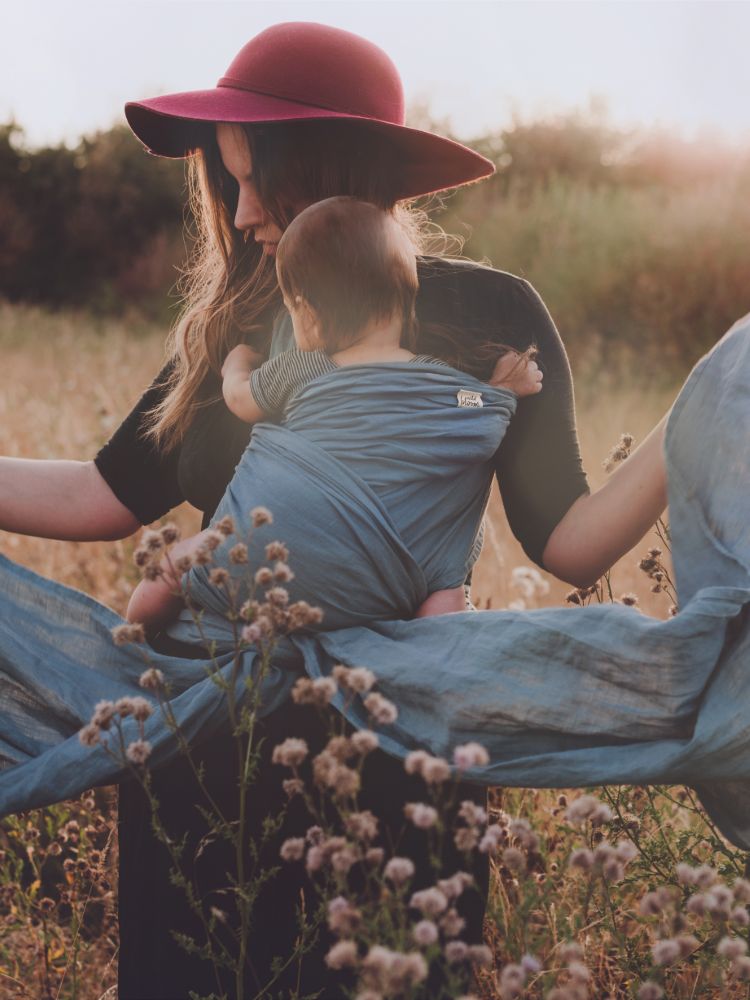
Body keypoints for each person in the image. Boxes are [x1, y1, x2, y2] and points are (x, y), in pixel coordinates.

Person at [0, 21, 710, 1000]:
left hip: (401, 757)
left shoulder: (492, 315)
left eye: (262, 178)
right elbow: (101, 493)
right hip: (209, 747)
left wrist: (698, 422)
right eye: (228, 179)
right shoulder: (245, 328)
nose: (243, 212)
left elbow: (568, 540)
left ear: (336, 164)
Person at [126, 196, 544, 635]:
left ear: (306, 312)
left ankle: (129, 649)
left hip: (276, 560)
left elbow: (241, 400)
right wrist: (499, 389)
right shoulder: (437, 381)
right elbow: (470, 408)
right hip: (397, 584)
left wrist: (235, 366)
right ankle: (433, 656)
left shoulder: (304, 369)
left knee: (171, 570)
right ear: (406, 299)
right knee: (446, 584)